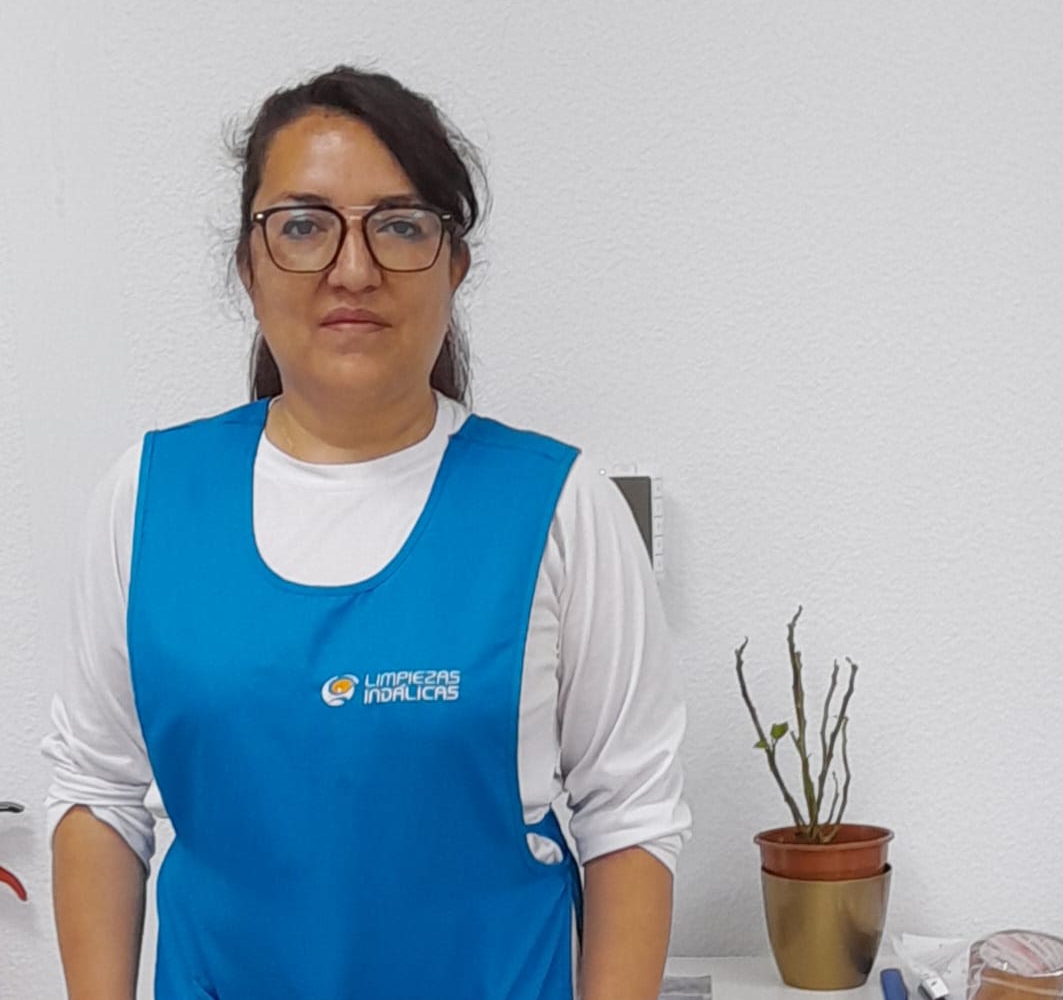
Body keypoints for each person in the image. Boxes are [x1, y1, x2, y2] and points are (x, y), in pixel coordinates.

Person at [45, 66, 691, 1000]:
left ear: (454, 263)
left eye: (400, 225)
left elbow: (629, 816)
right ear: (248, 265)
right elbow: (100, 792)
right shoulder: (148, 497)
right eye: (303, 226)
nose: (353, 269)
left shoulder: (557, 504)